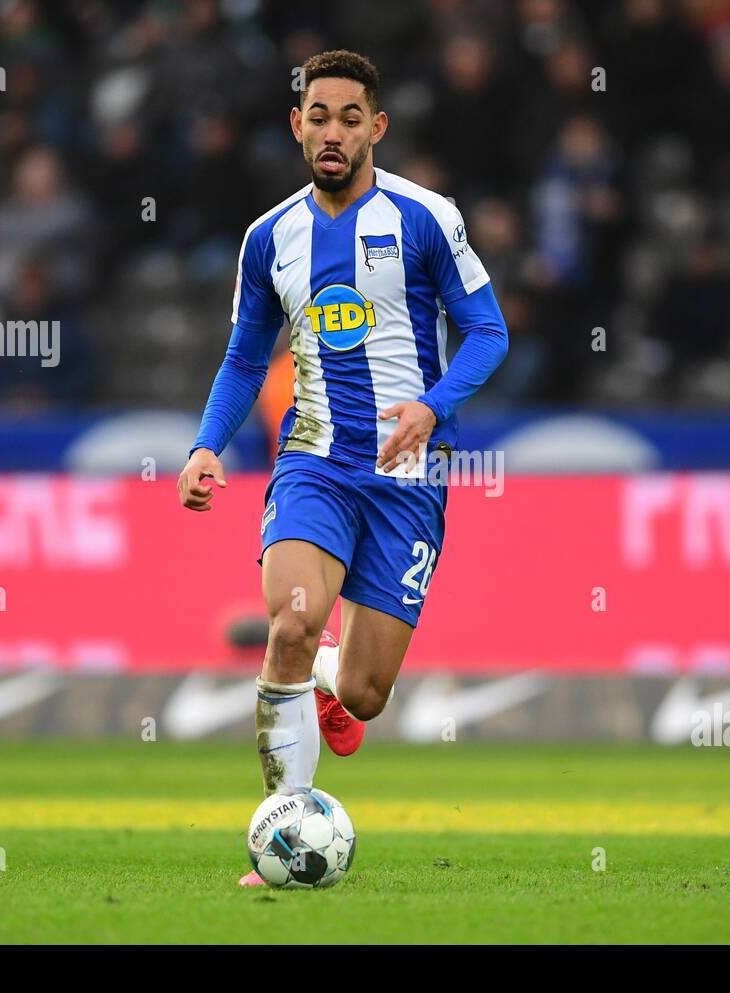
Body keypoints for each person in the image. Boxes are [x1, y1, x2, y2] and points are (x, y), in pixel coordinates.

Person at [175, 50, 508, 886]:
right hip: (313, 462)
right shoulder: (270, 237)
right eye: (317, 116)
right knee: (289, 622)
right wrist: (207, 443)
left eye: (350, 118)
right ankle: (282, 830)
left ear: (376, 128)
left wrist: (434, 406)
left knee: (363, 694)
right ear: (297, 126)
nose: (332, 132)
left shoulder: (427, 217)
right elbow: (246, 358)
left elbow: (490, 332)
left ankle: (330, 670)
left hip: (408, 475)